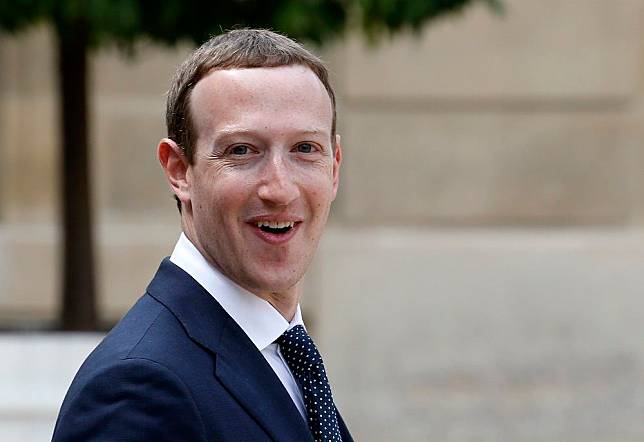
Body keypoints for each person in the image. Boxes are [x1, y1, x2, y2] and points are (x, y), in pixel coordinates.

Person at [53, 29, 353, 442]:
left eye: (305, 149)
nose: (279, 188)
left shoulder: (286, 356)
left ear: (334, 167)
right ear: (179, 170)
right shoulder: (138, 389)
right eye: (242, 151)